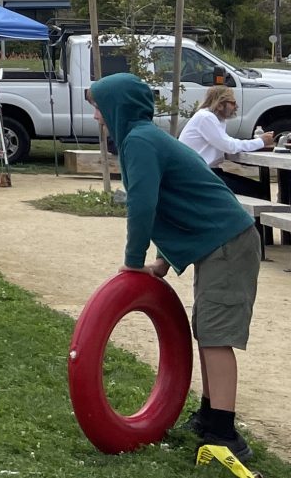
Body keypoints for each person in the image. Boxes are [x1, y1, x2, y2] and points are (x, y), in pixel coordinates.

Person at [93, 72, 262, 462]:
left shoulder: (138, 142)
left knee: (217, 335)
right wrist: (162, 264)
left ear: (118, 106)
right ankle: (208, 416)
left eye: (100, 107)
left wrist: (133, 264)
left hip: (228, 243)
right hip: (219, 242)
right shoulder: (144, 139)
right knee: (207, 329)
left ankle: (225, 434)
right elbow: (183, 202)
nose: (98, 115)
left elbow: (144, 205)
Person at [180, 85, 276, 196]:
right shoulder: (206, 117)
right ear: (220, 105)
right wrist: (261, 141)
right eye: (233, 103)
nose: (236, 107)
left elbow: (226, 144)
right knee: (259, 191)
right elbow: (229, 146)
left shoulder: (214, 119)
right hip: (199, 176)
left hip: (204, 173)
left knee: (259, 189)